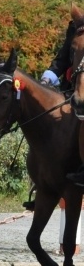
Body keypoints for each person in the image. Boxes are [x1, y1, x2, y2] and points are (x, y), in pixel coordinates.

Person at [41, 20, 84, 184]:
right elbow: (62, 59)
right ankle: (45, 180)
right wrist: (46, 79)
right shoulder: (76, 26)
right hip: (73, 89)